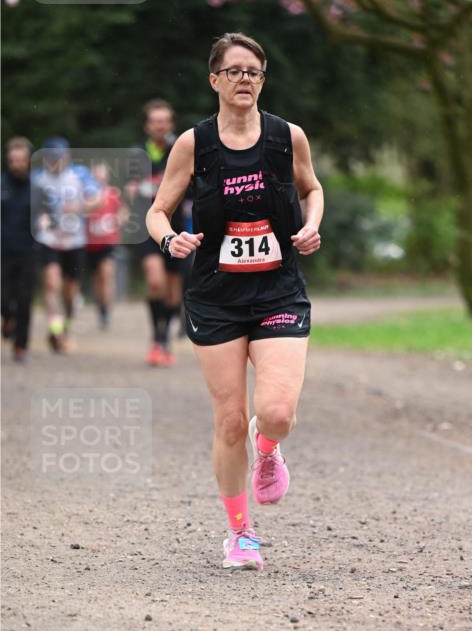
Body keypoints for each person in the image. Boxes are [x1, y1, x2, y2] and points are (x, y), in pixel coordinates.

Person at [146, 32, 323, 570]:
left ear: (262, 81)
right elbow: (158, 210)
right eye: (236, 71)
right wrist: (169, 239)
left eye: (255, 71)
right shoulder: (192, 145)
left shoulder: (286, 137)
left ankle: (267, 451)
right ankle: (240, 535)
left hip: (278, 291)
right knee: (229, 420)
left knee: (276, 412)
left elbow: (311, 188)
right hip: (216, 295)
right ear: (215, 80)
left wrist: (312, 224)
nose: (245, 79)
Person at [126, 99, 186, 366]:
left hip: (178, 226)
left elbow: (192, 187)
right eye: (155, 121)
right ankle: (157, 337)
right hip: (147, 227)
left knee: (173, 291)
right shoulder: (137, 154)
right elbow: (128, 188)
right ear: (147, 126)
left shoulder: (181, 150)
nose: (160, 126)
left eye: (165, 121)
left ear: (171, 124)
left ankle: (164, 338)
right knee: (155, 281)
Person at [33, 137, 101, 353]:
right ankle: (56, 330)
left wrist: (80, 206)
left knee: (70, 293)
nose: (56, 162)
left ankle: (67, 327)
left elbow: (97, 199)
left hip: (74, 241)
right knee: (51, 284)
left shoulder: (79, 174)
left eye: (60, 158)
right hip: (49, 240)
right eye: (52, 158)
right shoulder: (37, 179)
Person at [1, 137, 42, 362]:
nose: (16, 164)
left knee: (25, 299)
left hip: (28, 251)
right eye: (12, 160)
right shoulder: (1, 185)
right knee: (4, 298)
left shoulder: (36, 189)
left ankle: (20, 345)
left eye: (20, 160)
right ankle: (7, 318)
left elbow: (49, 217)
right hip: (3, 252)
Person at [86, 160, 126, 329]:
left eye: (102, 174)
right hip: (89, 243)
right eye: (96, 174)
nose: (99, 177)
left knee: (107, 275)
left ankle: (107, 311)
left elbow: (123, 211)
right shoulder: (86, 194)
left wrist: (119, 220)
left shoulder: (113, 193)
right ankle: (101, 308)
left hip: (108, 241)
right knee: (97, 280)